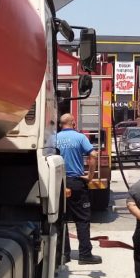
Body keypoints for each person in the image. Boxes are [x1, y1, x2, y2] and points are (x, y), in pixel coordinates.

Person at [57, 113, 102, 265]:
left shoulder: (54, 138)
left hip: (58, 182)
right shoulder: (80, 137)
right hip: (76, 183)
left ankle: (64, 254)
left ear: (60, 124)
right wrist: (90, 177)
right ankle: (85, 255)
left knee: (61, 220)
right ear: (74, 123)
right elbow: (94, 155)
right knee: (82, 220)